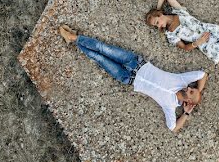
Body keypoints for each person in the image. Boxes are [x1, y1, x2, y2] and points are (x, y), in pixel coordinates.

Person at [57, 25, 207, 133]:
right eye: (193, 88)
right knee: (102, 48)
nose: (190, 88)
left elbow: (173, 128)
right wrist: (198, 93)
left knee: (98, 58)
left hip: (128, 78)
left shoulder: (170, 106)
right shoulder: (182, 80)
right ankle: (73, 37)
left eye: (191, 92)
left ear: (188, 101)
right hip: (135, 62)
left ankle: (74, 40)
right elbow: (203, 74)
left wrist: (186, 113)